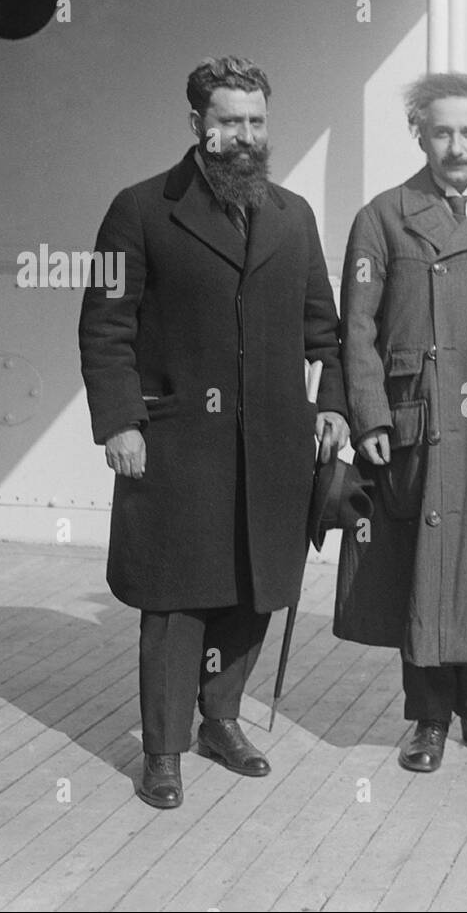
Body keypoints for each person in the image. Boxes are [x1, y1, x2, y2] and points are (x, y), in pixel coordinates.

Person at [79, 56, 348, 809]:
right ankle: (162, 751)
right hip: (175, 447)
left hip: (273, 447)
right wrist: (120, 421)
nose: (245, 135)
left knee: (253, 588)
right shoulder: (139, 209)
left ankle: (220, 720)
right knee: (176, 601)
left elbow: (321, 329)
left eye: (256, 121)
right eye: (229, 120)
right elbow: (106, 326)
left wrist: (332, 403)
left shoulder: (293, 215)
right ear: (196, 124)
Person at [335, 73, 467, 773]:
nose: (456, 146)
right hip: (415, 422)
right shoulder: (383, 216)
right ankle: (427, 717)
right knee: (421, 565)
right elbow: (356, 327)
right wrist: (368, 413)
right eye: (442, 131)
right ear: (419, 134)